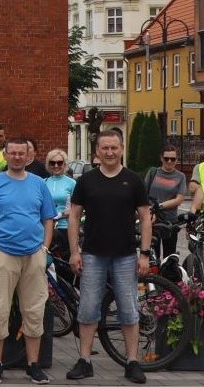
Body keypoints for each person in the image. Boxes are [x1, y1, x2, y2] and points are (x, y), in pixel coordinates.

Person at [67, 130, 152, 384]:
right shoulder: (87, 181)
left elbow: (146, 218)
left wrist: (145, 253)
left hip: (125, 255)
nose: (110, 152)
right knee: (88, 308)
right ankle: (85, 360)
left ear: (122, 149)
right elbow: (73, 216)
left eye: (114, 148)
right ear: (97, 152)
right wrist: (74, 251)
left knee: (129, 310)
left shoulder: (133, 180)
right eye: (105, 148)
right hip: (93, 254)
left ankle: (132, 361)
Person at [0, 138, 56, 385]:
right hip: (4, 256)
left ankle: (33, 365)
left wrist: (44, 248)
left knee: (34, 311)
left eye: (22, 153)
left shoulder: (39, 185)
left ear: (29, 156)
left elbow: (48, 219)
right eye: (13, 153)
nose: (17, 157)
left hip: (33, 255)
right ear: (6, 155)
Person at [144, 146, 187, 261]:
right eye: (166, 158)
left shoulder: (180, 176)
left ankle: (167, 279)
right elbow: (143, 194)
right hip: (152, 220)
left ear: (177, 160)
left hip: (170, 221)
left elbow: (179, 199)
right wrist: (151, 209)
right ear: (161, 158)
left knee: (169, 257)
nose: (169, 161)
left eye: (173, 159)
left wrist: (159, 206)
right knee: (153, 256)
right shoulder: (153, 172)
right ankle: (153, 279)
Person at [44, 148, 75, 258]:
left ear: (65, 164)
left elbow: (76, 209)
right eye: (52, 163)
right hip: (47, 228)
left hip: (65, 228)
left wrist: (61, 215)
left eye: (59, 163)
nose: (56, 166)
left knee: (65, 264)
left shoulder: (72, 183)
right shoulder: (44, 182)